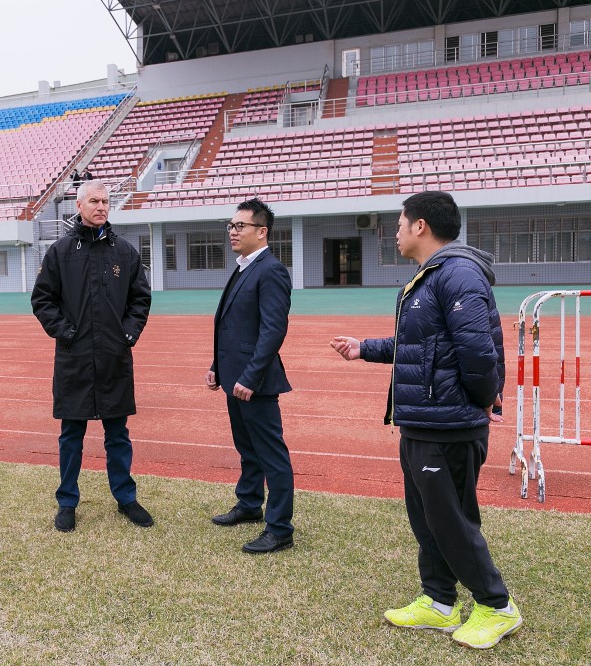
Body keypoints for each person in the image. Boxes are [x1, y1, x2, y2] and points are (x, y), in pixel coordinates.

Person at [329, 191, 521, 650]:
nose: (394, 232)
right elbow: (418, 348)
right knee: (427, 517)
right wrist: (364, 348)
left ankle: (497, 607)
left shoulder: (458, 275)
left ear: (420, 226)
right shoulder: (429, 277)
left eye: (399, 223)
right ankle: (439, 601)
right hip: (422, 421)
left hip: (449, 426)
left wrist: (475, 407)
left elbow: (480, 354)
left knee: (451, 520)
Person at [32, 180, 153, 532]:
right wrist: (67, 333)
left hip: (115, 358)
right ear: (80, 206)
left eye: (105, 201)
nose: (101, 207)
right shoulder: (60, 252)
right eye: (94, 201)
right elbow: (43, 301)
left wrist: (128, 334)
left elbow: (140, 299)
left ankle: (126, 497)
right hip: (75, 359)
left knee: (118, 434)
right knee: (71, 434)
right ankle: (67, 501)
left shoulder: (125, 252)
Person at [205, 198, 295, 554]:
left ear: (262, 231)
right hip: (234, 377)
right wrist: (217, 366)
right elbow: (232, 325)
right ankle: (248, 504)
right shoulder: (245, 266)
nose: (232, 231)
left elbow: (273, 330)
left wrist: (250, 376)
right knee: (247, 449)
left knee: (272, 454)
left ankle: (280, 528)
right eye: (230, 225)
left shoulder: (270, 270)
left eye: (239, 226)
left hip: (253, 382)